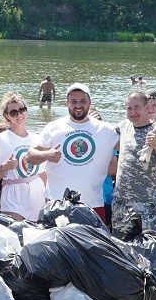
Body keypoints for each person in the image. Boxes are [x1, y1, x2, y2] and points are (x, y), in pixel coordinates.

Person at [28, 83, 120, 222]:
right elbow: (30, 156)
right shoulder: (53, 127)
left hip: (93, 204)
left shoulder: (105, 130)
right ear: (67, 103)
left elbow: (128, 148)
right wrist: (47, 155)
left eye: (83, 101)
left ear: (90, 102)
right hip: (57, 204)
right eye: (74, 101)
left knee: (93, 244)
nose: (78, 105)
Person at [112, 90, 156, 233]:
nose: (132, 112)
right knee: (121, 246)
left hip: (145, 204)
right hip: (120, 202)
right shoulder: (124, 127)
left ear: (147, 108)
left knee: (146, 248)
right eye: (129, 108)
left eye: (136, 107)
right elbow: (102, 135)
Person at [0, 94, 47, 221]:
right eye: (14, 112)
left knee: (37, 236)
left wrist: (48, 197)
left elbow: (42, 173)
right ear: (7, 116)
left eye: (22, 110)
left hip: (37, 192)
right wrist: (5, 167)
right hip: (13, 194)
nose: (19, 115)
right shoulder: (1, 139)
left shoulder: (36, 138)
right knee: (17, 235)